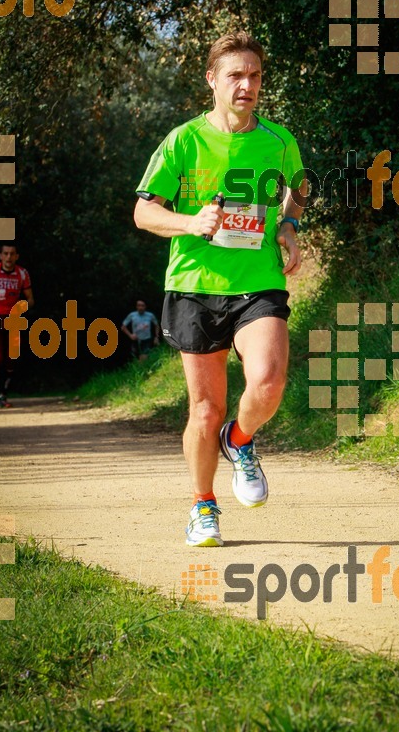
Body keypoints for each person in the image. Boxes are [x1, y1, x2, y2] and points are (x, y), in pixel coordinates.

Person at [134, 31, 306, 546]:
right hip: (194, 286)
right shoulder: (183, 141)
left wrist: (288, 227)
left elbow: (296, 188)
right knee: (204, 410)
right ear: (212, 80)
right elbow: (144, 211)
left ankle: (242, 439)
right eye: (235, 75)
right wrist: (190, 222)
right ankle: (202, 505)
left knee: (269, 382)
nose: (246, 85)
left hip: (257, 283)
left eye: (254, 76)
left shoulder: (278, 141)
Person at [0, 242, 34, 407]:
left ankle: (3, 394)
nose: (9, 257)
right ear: (0, 256)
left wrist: (21, 307)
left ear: (17, 256)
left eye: (12, 254)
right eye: (5, 253)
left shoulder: (22, 273)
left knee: (11, 359)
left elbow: (31, 299)